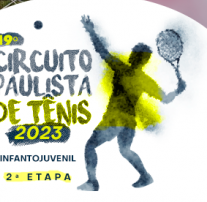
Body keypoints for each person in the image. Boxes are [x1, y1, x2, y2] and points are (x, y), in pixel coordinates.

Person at [79, 15, 186, 191]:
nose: (131, 54)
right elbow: (166, 99)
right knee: (125, 150)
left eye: (134, 53)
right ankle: (145, 176)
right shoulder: (145, 80)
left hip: (115, 119)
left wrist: (91, 31)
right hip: (129, 122)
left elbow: (101, 50)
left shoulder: (121, 69)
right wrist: (178, 90)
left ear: (136, 57)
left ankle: (92, 182)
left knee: (90, 146)